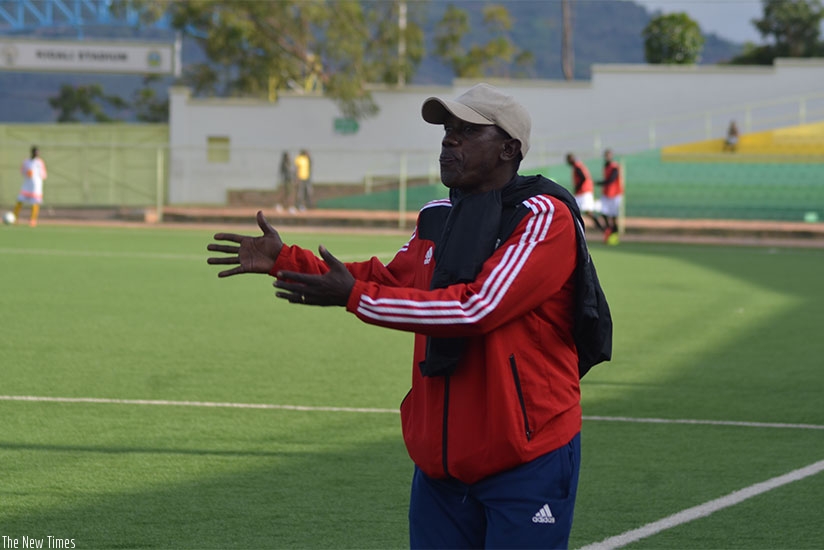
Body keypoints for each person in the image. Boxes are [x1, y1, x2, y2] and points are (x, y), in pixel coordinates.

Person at [207, 83, 594, 549]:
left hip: (526, 458)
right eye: (448, 130)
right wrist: (287, 260)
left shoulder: (542, 218)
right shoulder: (437, 215)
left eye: (467, 131)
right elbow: (389, 279)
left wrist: (354, 297)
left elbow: (477, 307)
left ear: (509, 149)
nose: (449, 140)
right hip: (441, 466)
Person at [565, 152, 605, 234]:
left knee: (582, 211)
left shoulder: (577, 166)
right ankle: (602, 229)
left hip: (584, 192)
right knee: (576, 210)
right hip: (583, 192)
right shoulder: (578, 165)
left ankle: (603, 229)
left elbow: (583, 178)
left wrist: (577, 187)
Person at [13, 146, 48, 227]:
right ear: (32, 152)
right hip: (26, 185)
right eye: (35, 152)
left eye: (38, 152)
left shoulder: (40, 162)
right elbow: (22, 171)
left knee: (35, 203)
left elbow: (44, 175)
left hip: (36, 186)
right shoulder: (26, 162)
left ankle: (33, 220)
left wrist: (37, 176)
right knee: (20, 200)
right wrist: (27, 173)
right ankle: (15, 217)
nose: (37, 154)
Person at [595, 149, 624, 245]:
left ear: (611, 156)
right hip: (606, 194)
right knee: (603, 213)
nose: (607, 157)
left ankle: (615, 235)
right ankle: (609, 231)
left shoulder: (614, 167)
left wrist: (599, 183)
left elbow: (611, 179)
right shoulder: (606, 166)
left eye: (609, 155)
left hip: (615, 195)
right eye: (606, 155)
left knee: (613, 216)